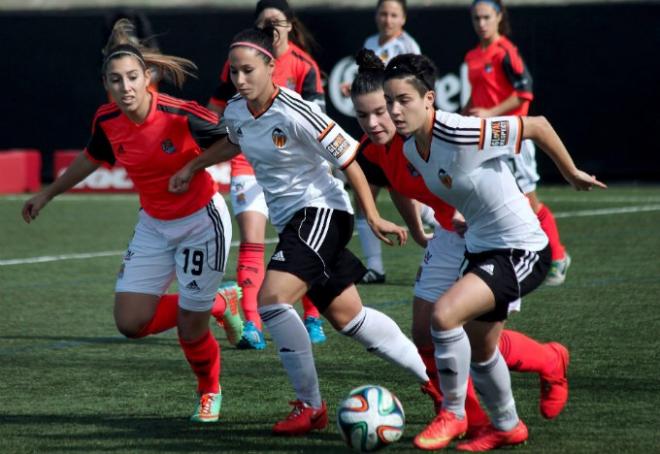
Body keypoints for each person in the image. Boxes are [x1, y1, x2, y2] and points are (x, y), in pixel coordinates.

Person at [170, 26, 443, 437]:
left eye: (248, 71)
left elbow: (350, 157)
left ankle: (311, 406)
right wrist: (194, 165)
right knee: (349, 317)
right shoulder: (237, 111)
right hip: (297, 223)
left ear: (270, 67)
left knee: (272, 299)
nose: (240, 80)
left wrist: (372, 214)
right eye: (234, 72)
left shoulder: (295, 110)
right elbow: (233, 141)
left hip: (323, 212)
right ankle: (437, 383)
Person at [21, 19, 244, 423]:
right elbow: (92, 157)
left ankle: (209, 390)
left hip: (201, 221)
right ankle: (218, 301)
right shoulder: (107, 120)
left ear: (148, 78)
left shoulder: (180, 114)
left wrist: (193, 166)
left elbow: (234, 139)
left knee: (189, 331)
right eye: (115, 80)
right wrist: (47, 193)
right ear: (106, 83)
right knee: (130, 323)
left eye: (131, 78)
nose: (124, 88)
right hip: (154, 225)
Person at [382, 53, 605, 451]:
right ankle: (508, 424)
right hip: (482, 248)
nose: (395, 110)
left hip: (524, 248)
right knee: (481, 349)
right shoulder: (413, 149)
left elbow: (536, 125)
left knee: (444, 315)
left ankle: (453, 412)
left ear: (429, 99)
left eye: (404, 100)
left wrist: (571, 173)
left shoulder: (460, 132)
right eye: (390, 101)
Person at [207, 0, 327, 347]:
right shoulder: (240, 62)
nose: (271, 29)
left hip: (293, 167)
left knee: (303, 241)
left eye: (277, 22)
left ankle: (313, 317)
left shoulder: (305, 66)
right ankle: (252, 325)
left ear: (290, 25)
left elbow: (316, 121)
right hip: (249, 161)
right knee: (252, 241)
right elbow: (217, 108)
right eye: (264, 23)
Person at [463, 0, 571, 285]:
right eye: (476, 18)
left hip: (513, 137)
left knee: (529, 202)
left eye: (486, 17)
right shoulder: (473, 55)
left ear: (499, 17)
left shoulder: (507, 52)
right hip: (486, 138)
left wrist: (489, 113)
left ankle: (558, 257)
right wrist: (463, 114)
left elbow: (524, 94)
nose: (481, 23)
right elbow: (477, 95)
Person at [353, 0, 433, 284]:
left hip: (476, 229)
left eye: (394, 14)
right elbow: (398, 186)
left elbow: (535, 126)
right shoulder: (368, 146)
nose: (387, 20)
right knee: (366, 197)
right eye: (383, 13)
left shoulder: (426, 134)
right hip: (384, 151)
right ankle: (374, 266)